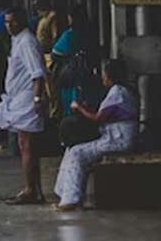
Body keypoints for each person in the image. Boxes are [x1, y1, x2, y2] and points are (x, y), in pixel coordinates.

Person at [53, 59, 138, 211]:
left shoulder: (117, 92)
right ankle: (64, 195)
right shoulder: (121, 90)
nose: (102, 78)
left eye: (104, 74)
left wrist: (79, 107)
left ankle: (72, 199)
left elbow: (98, 118)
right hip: (114, 136)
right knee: (72, 149)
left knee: (78, 153)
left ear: (110, 76)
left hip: (119, 139)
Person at [0, 6, 48, 205]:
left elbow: (38, 74)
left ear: (22, 21)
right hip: (18, 98)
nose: (9, 26)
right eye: (7, 22)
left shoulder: (27, 42)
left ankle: (30, 189)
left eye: (13, 21)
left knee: (26, 145)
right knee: (26, 146)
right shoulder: (17, 40)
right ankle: (35, 189)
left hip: (27, 99)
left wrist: (36, 100)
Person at [51, 5, 92, 114]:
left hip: (71, 74)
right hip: (86, 73)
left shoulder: (69, 35)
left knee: (68, 105)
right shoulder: (89, 33)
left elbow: (54, 54)